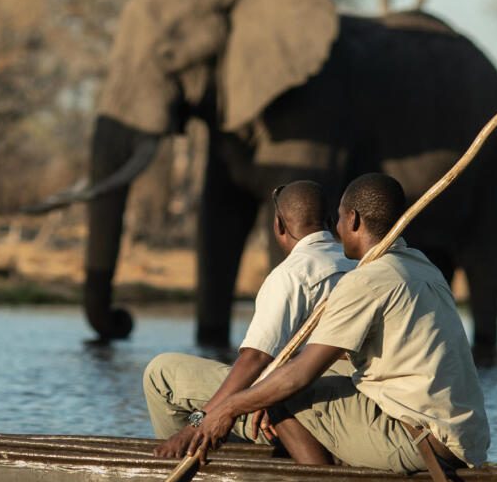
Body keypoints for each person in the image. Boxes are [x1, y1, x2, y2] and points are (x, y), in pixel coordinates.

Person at [183, 173, 489, 482]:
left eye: (340, 219)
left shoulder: (366, 279)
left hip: (417, 441)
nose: (337, 230)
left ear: (353, 220)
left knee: (278, 394)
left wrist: (228, 408)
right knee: (282, 385)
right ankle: (335, 461)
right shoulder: (422, 265)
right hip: (463, 440)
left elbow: (299, 375)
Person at [144, 180, 356, 458]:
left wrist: (196, 424)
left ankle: (184, 459)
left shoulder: (292, 274)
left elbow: (253, 361)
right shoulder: (359, 264)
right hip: (349, 404)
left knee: (161, 374)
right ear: (329, 221)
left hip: (309, 400)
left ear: (279, 226)